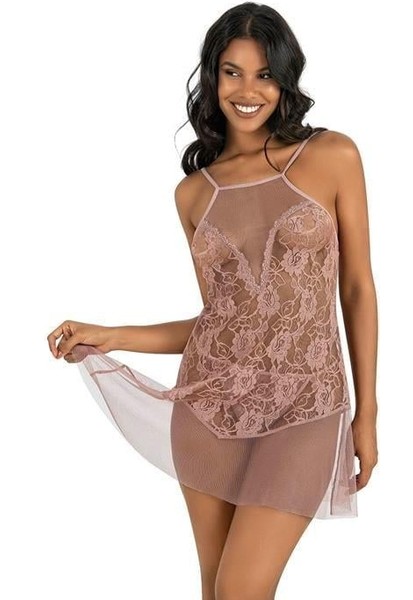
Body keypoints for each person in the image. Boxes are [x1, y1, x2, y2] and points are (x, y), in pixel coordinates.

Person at [47, 3, 379, 598]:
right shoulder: (194, 194)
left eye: (264, 74)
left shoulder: (333, 156)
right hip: (209, 410)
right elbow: (224, 322)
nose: (248, 91)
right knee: (216, 592)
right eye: (232, 72)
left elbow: (356, 287)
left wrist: (368, 414)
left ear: (285, 78)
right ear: (212, 76)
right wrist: (111, 335)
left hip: (307, 405)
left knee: (239, 590)